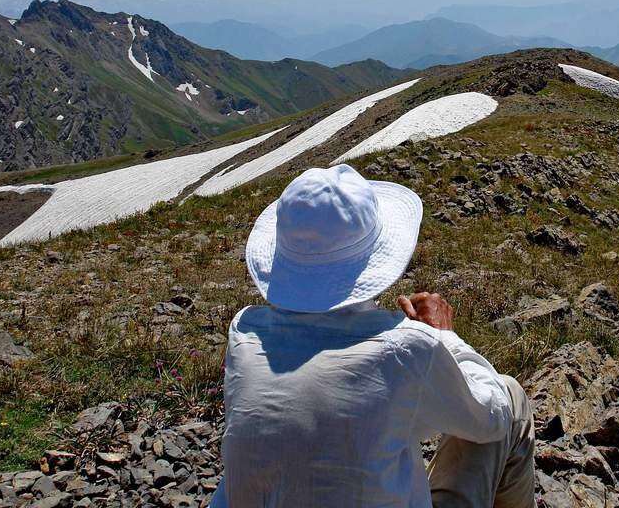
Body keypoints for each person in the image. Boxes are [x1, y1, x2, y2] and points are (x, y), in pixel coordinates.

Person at [209, 163, 535, 508]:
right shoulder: (404, 349)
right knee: (509, 399)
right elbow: (490, 421)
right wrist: (445, 339)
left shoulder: (244, 332)